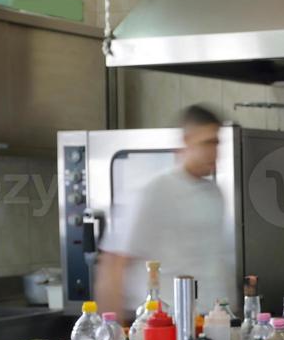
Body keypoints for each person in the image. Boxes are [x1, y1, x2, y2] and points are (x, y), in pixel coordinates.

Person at [95, 104, 235, 320]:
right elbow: (114, 264)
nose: (215, 152)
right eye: (207, 143)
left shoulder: (214, 193)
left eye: (217, 143)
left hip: (211, 318)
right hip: (164, 321)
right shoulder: (154, 191)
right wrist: (113, 332)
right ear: (186, 142)